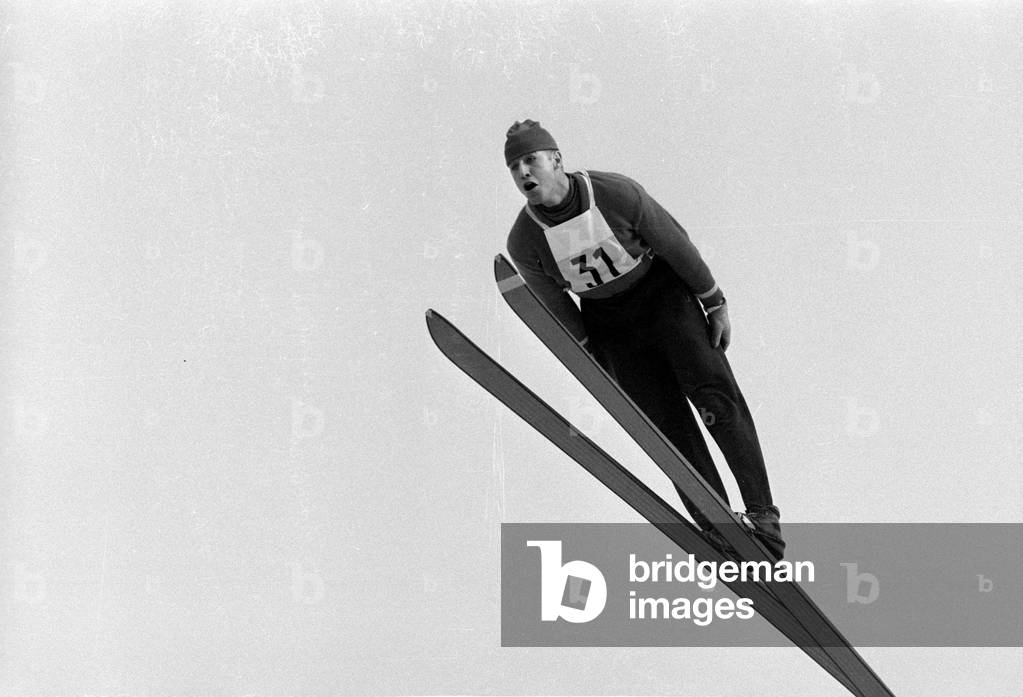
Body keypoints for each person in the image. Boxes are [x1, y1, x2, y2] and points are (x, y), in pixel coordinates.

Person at [503, 119, 785, 559]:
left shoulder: (615, 193)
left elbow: (675, 243)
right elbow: (556, 308)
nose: (523, 172)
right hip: (610, 325)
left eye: (530, 159)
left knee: (716, 401)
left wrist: (713, 300)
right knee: (668, 432)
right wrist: (589, 355)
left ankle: (763, 517)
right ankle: (719, 528)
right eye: (515, 166)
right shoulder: (525, 241)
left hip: (663, 299)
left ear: (556, 159)